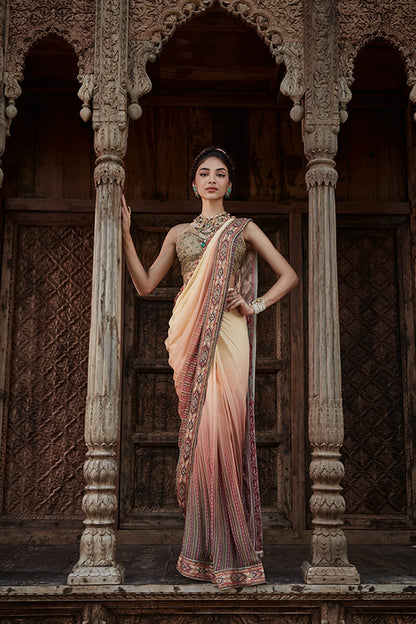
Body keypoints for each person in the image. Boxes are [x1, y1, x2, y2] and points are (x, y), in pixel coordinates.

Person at [121, 146, 298, 589]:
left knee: (225, 435)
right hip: (191, 338)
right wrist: (124, 234)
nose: (213, 180)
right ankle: (202, 550)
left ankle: (233, 551)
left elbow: (288, 275)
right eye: (205, 173)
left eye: (221, 173)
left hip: (230, 337)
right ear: (194, 183)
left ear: (229, 184)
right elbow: (144, 284)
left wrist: (253, 303)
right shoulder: (179, 233)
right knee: (202, 442)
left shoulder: (244, 229)